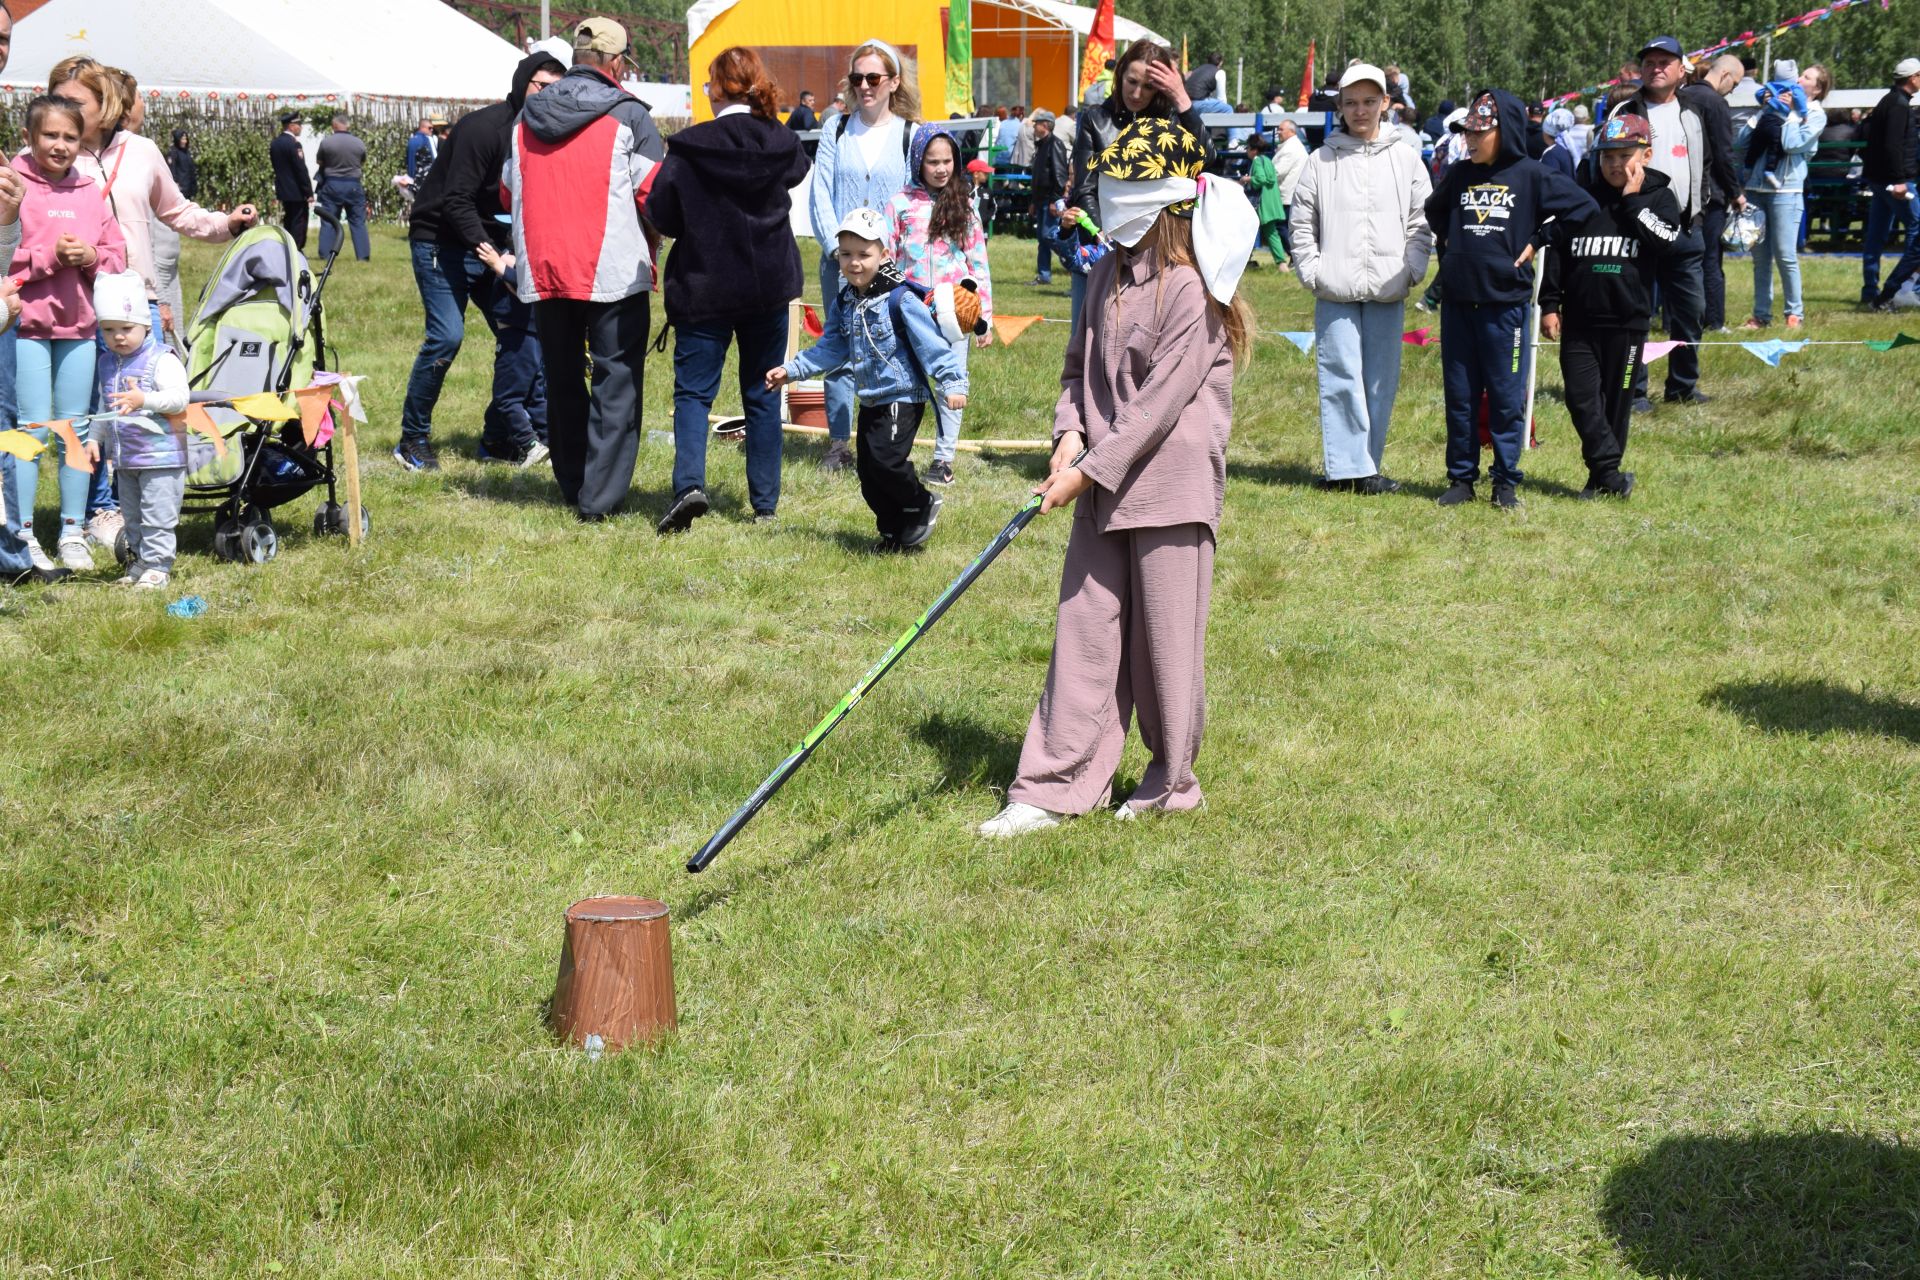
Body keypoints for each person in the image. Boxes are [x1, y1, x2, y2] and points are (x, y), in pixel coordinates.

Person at [976, 118, 1256, 837]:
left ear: (1163, 201)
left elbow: (1157, 407)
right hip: (1099, 482)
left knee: (1164, 645)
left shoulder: (1192, 291)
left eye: (1123, 187)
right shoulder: (1103, 272)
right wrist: (1068, 432)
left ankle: (1171, 783)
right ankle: (1052, 785)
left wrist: (1087, 470)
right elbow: (1077, 370)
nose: (1107, 198)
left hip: (1167, 488)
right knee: (1086, 633)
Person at [51, 58, 254, 550]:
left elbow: (177, 210)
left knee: (149, 407)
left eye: (75, 101)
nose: (62, 111)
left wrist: (225, 224)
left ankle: (154, 502)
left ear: (106, 104)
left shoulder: (141, 152)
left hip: (136, 303)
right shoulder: (50, 154)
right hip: (73, 301)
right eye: (56, 99)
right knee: (88, 413)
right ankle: (100, 510)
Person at [507, 16, 666, 521]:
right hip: (612, 269)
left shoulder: (525, 118)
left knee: (561, 379)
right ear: (617, 63)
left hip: (545, 268)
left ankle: (572, 483)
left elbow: (509, 191)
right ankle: (598, 499)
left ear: (577, 58)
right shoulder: (629, 116)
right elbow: (655, 196)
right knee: (615, 380)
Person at [650, 45, 808, 532]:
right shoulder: (780, 140)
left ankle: (689, 486)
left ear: (716, 88)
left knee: (694, 395)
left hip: (704, 286)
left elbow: (663, 214)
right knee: (762, 393)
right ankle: (765, 505)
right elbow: (798, 172)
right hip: (767, 286)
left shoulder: (691, 146)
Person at [1425, 90, 1595, 510]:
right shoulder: (1461, 174)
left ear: (1508, 131)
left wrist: (1541, 238)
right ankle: (1462, 478)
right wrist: (1450, 242)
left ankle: (1505, 482)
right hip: (1460, 305)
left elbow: (1584, 209)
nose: (1470, 139)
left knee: (1505, 397)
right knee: (1460, 397)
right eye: (1467, 132)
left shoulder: (1530, 175)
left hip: (1507, 307)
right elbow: (1433, 209)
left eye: (1480, 132)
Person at [397, 52, 564, 473]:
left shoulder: (543, 134)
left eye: (556, 89)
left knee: (526, 338)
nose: (548, 95)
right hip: (441, 241)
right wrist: (492, 253)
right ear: (523, 82)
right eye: (541, 85)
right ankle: (412, 440)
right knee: (446, 338)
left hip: (491, 246)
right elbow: (456, 200)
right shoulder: (483, 129)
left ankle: (498, 437)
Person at [767, 208, 965, 552]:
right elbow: (831, 347)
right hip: (872, 399)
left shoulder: (899, 298)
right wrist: (792, 370)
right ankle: (894, 535)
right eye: (846, 254)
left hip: (902, 396)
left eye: (864, 254)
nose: (854, 263)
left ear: (884, 254)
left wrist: (952, 383)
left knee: (887, 462)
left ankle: (921, 502)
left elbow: (932, 345)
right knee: (870, 476)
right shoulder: (847, 301)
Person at [1290, 62, 1433, 494]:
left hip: (1389, 288)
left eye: (1369, 101)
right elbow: (1301, 223)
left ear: (1385, 104)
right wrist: (1312, 271)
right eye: (1351, 102)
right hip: (1334, 286)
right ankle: (1347, 470)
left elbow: (1420, 222)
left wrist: (1412, 269)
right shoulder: (1320, 160)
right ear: (1340, 107)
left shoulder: (1407, 159)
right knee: (1339, 376)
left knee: (1378, 381)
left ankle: (1366, 466)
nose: (1360, 110)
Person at [10, 94, 127, 574]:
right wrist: (49, 259)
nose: (60, 145)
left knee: (77, 432)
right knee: (32, 430)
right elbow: (6, 262)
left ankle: (73, 531)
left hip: (79, 328)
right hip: (26, 329)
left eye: (70, 137)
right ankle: (21, 533)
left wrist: (91, 258)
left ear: (83, 141)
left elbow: (118, 256)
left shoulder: (88, 191)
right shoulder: (14, 186)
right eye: (50, 135)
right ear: (29, 137)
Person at [1539, 114, 1683, 500]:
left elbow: (1666, 242)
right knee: (1581, 399)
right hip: (1581, 321)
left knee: (1616, 404)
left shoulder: (1659, 197)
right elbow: (1558, 251)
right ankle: (1610, 473)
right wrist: (1549, 303)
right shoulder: (1582, 198)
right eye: (1607, 157)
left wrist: (1633, 202)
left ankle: (1600, 479)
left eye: (1624, 156)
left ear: (1646, 155)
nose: (1615, 165)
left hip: (1628, 322)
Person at [806, 39, 918, 474]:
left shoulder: (909, 133)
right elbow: (821, 194)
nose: (866, 86)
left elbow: (910, 199)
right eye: (858, 78)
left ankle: (886, 436)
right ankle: (838, 443)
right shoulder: (836, 128)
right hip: (839, 260)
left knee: (890, 349)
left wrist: (887, 256)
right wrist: (839, 250)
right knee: (839, 347)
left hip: (890, 265)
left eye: (874, 78)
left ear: (892, 81)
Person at [1062, 37, 1209, 329]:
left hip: (1160, 248)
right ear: (1120, 75)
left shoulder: (1172, 121)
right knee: (1090, 335)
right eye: (1131, 81)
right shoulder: (1095, 119)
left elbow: (1207, 159)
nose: (1137, 93)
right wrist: (1110, 236)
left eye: (1149, 86)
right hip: (1104, 245)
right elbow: (1086, 188)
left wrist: (1183, 101)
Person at [1612, 36, 1715, 409]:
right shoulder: (1626, 109)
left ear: (1680, 68)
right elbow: (1607, 164)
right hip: (1637, 227)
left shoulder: (1693, 110)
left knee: (1692, 311)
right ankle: (1633, 390)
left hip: (1686, 230)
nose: (1656, 68)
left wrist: (1699, 207)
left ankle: (1683, 386)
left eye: (1664, 62)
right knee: (1635, 312)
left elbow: (1705, 163)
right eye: (1650, 62)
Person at [887, 123, 993, 487]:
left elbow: (978, 262)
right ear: (918, 162)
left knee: (953, 384)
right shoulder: (900, 204)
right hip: (910, 312)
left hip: (955, 313)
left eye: (947, 161)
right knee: (905, 384)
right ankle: (895, 451)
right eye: (932, 161)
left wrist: (984, 318)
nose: (941, 168)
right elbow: (885, 256)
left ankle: (943, 459)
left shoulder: (965, 205)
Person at [85, 270, 189, 587]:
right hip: (127, 459)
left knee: (157, 515)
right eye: (108, 329)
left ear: (146, 325)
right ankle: (140, 563)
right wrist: (94, 439)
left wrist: (144, 399)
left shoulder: (162, 359)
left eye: (126, 328)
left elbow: (180, 398)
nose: (118, 336)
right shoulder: (107, 363)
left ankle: (158, 565)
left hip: (161, 457)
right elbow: (107, 406)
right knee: (132, 515)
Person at [1737, 65, 1829, 329]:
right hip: (1756, 188)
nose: (1799, 79)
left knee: (1785, 255)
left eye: (1807, 77)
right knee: (1760, 258)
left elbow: (1791, 144)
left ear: (1818, 88)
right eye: (1801, 75)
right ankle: (1760, 316)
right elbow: (1742, 142)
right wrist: (1765, 110)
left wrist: (1789, 114)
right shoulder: (1774, 105)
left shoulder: (1815, 115)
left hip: (1786, 191)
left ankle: (1794, 314)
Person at [1685, 56, 1741, 333]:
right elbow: (1723, 154)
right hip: (1711, 193)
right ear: (1726, 74)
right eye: (1736, 83)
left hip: (1680, 189)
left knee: (1679, 260)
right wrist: (1735, 192)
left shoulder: (1682, 95)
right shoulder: (1717, 104)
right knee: (1710, 259)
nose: (1733, 89)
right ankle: (1714, 320)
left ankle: (1676, 318)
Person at [1859, 57, 1920, 306]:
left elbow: (1869, 135)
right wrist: (1899, 181)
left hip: (1878, 179)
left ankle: (1870, 290)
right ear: (1913, 77)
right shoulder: (1898, 105)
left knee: (1876, 235)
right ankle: (1899, 289)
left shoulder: (1887, 101)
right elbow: (1893, 145)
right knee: (1917, 231)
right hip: (1896, 182)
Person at [315, 114, 371, 261]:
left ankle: (325, 254)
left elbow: (319, 161)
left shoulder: (327, 142)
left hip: (332, 183)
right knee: (358, 221)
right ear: (348, 126)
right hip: (353, 184)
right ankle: (363, 256)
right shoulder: (358, 143)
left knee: (329, 220)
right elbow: (362, 161)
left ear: (334, 126)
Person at [1026, 110, 1071, 285]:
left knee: (1049, 236)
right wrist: (1033, 201)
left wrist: (1055, 199)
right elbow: (1038, 176)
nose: (1034, 126)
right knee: (1042, 240)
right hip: (1041, 199)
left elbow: (1060, 174)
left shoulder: (1055, 144)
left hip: (1050, 200)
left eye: (1036, 123)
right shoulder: (1042, 145)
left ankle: (1074, 260)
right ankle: (1044, 275)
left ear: (1045, 125)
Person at [1241, 135, 1289, 268]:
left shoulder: (1256, 161)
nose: (1246, 151)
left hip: (1262, 203)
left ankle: (1246, 261)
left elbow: (1260, 179)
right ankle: (1282, 263)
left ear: (1254, 150)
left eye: (1248, 148)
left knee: (1248, 231)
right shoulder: (1267, 160)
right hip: (1271, 202)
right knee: (1272, 233)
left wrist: (1247, 179)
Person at [271, 112, 313, 250]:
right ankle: (296, 248)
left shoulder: (275, 143)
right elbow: (300, 169)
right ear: (291, 126)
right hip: (297, 191)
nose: (300, 127)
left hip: (283, 189)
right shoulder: (294, 144)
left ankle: (286, 247)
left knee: (288, 220)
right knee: (299, 221)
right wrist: (308, 192)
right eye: (299, 125)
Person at [787, 88, 820, 158]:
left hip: (796, 147)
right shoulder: (807, 111)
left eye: (813, 100)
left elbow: (787, 126)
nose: (813, 102)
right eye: (810, 100)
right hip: (808, 150)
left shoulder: (795, 111)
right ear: (803, 101)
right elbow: (808, 125)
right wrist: (817, 124)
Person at [165, 130, 195, 198]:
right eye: (183, 139)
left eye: (185, 139)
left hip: (188, 186)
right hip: (180, 187)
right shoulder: (174, 152)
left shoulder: (186, 153)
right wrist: (175, 183)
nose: (185, 141)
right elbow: (172, 168)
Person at [406, 118, 436, 183]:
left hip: (411, 177)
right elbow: (432, 159)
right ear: (422, 127)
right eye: (429, 128)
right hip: (422, 178)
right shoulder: (426, 140)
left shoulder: (411, 140)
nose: (432, 130)